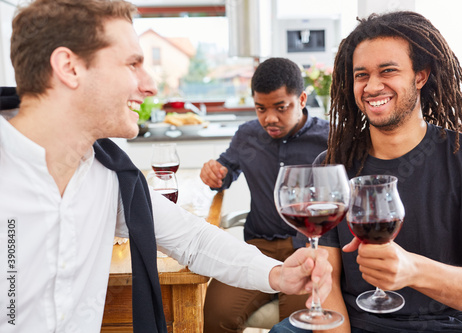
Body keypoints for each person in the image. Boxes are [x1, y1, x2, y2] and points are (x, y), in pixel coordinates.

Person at [0, 1, 334, 332]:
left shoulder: (110, 178)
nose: (151, 86)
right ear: (69, 68)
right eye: (133, 64)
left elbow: (194, 240)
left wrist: (278, 274)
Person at [271, 10, 462, 333]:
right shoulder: (331, 167)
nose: (372, 86)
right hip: (352, 324)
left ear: (420, 76)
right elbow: (327, 286)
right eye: (361, 75)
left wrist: (415, 270)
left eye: (388, 71)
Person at [200, 57, 331, 332]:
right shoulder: (247, 136)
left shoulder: (329, 139)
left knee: (297, 326)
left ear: (302, 99)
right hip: (256, 250)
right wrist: (214, 174)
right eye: (260, 108)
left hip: (309, 249)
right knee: (213, 315)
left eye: (281, 108)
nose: (269, 118)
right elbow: (224, 174)